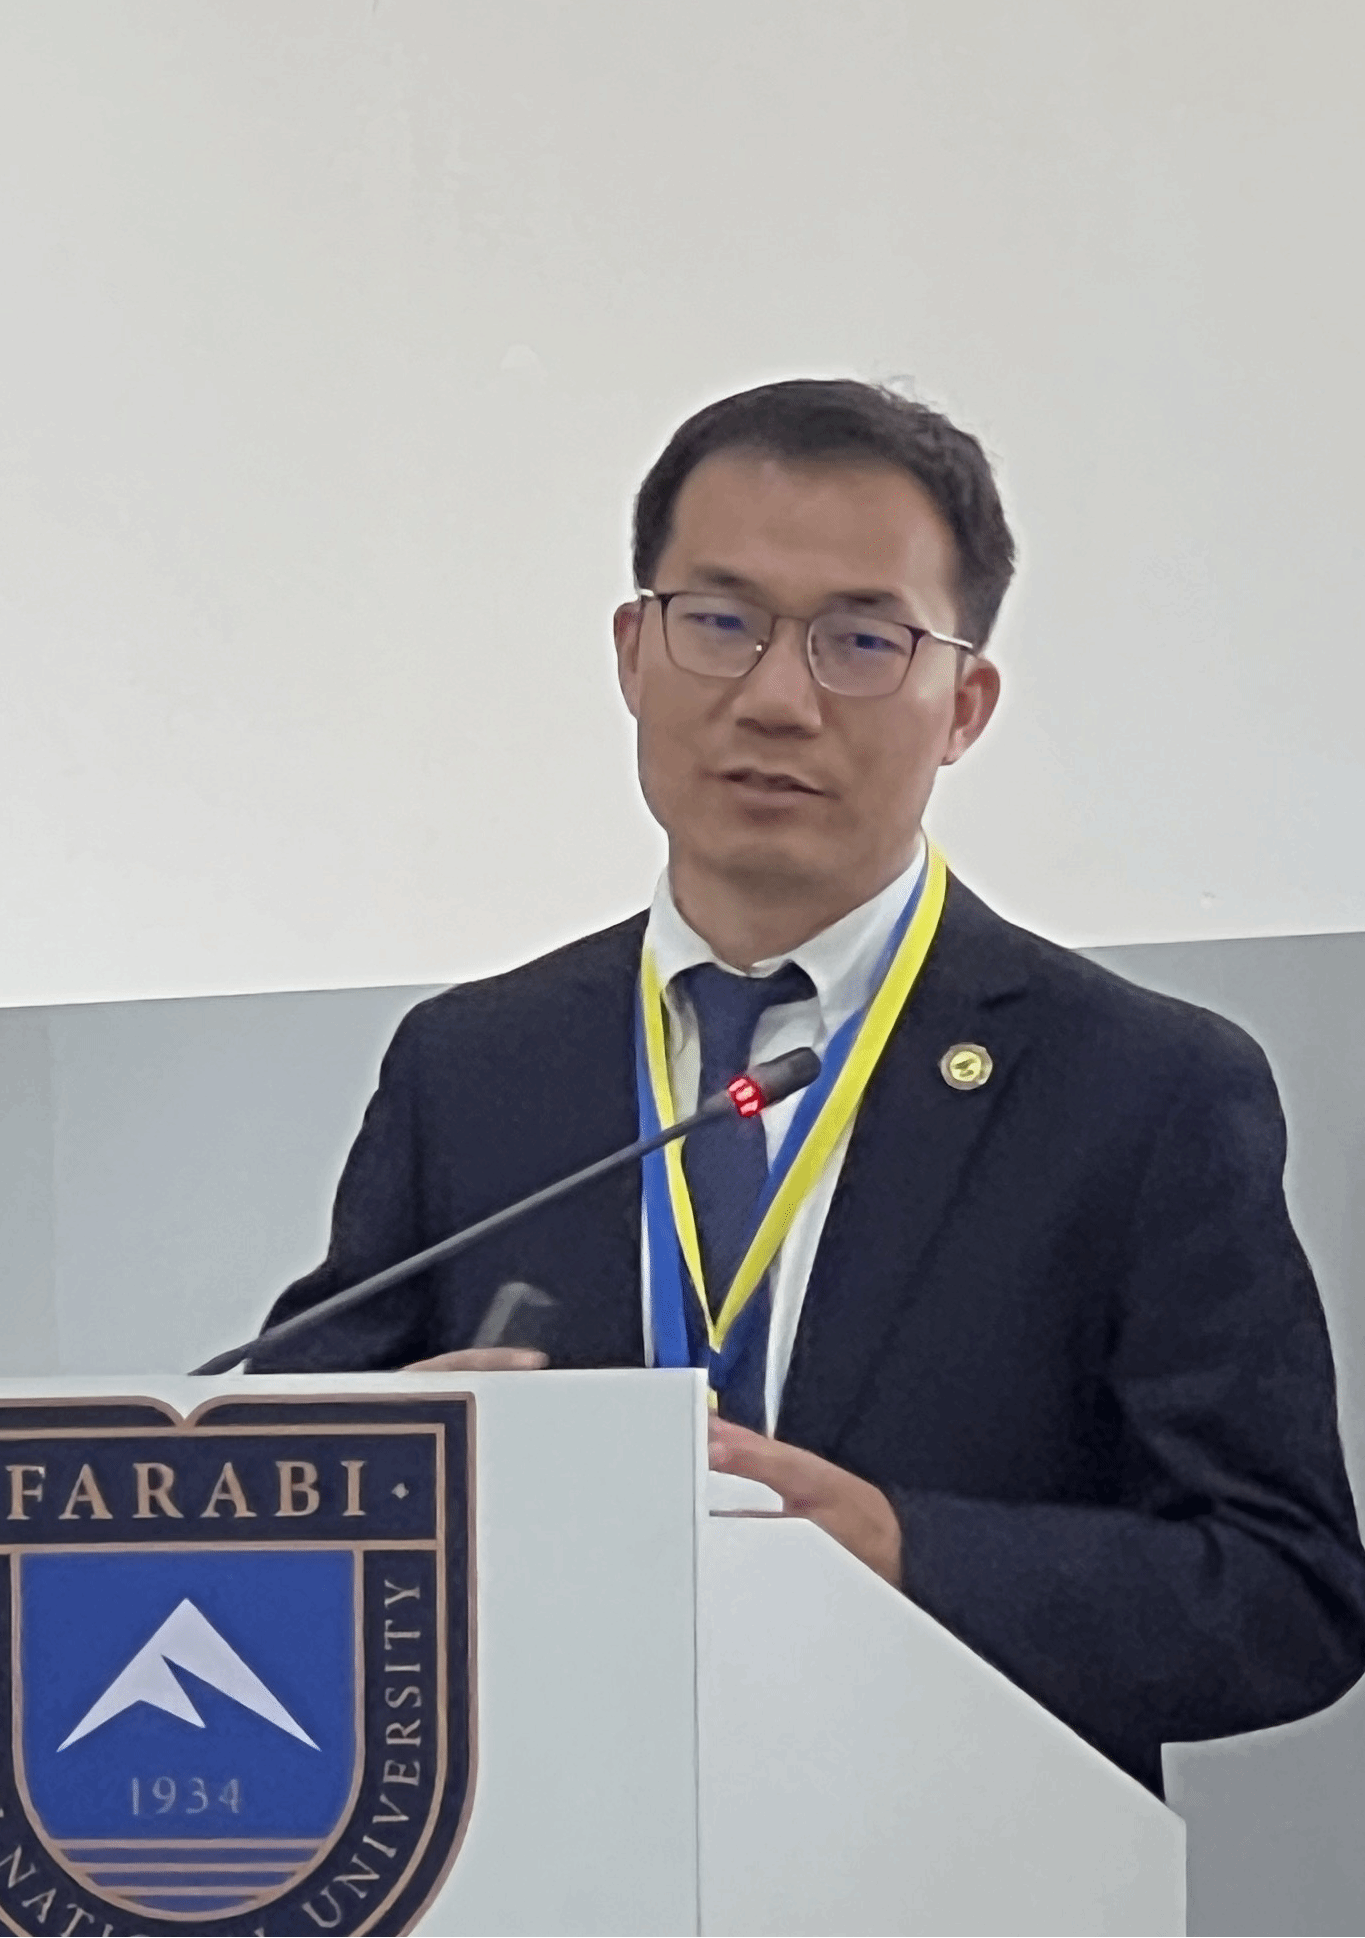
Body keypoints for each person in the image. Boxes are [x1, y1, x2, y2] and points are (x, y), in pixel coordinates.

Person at [254, 378, 1365, 1792]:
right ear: (631, 653)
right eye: (719, 622)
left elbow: (1286, 1591)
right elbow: (261, 1456)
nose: (776, 699)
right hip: (551, 1833)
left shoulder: (1142, 1088)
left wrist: (904, 1553)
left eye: (860, 641)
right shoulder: (474, 1064)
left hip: (954, 1850)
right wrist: (375, 1462)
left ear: (962, 705)